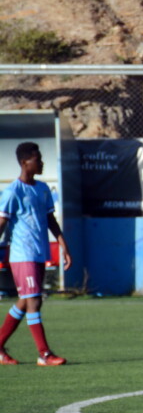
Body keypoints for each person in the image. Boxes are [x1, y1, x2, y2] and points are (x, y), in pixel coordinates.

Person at [0, 142, 71, 366]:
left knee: (25, 301)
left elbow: (51, 220)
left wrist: (63, 245)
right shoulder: (13, 191)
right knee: (34, 301)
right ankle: (44, 354)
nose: (41, 163)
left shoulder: (42, 189)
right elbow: (2, 222)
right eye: (37, 160)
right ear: (24, 163)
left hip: (39, 254)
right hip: (23, 254)